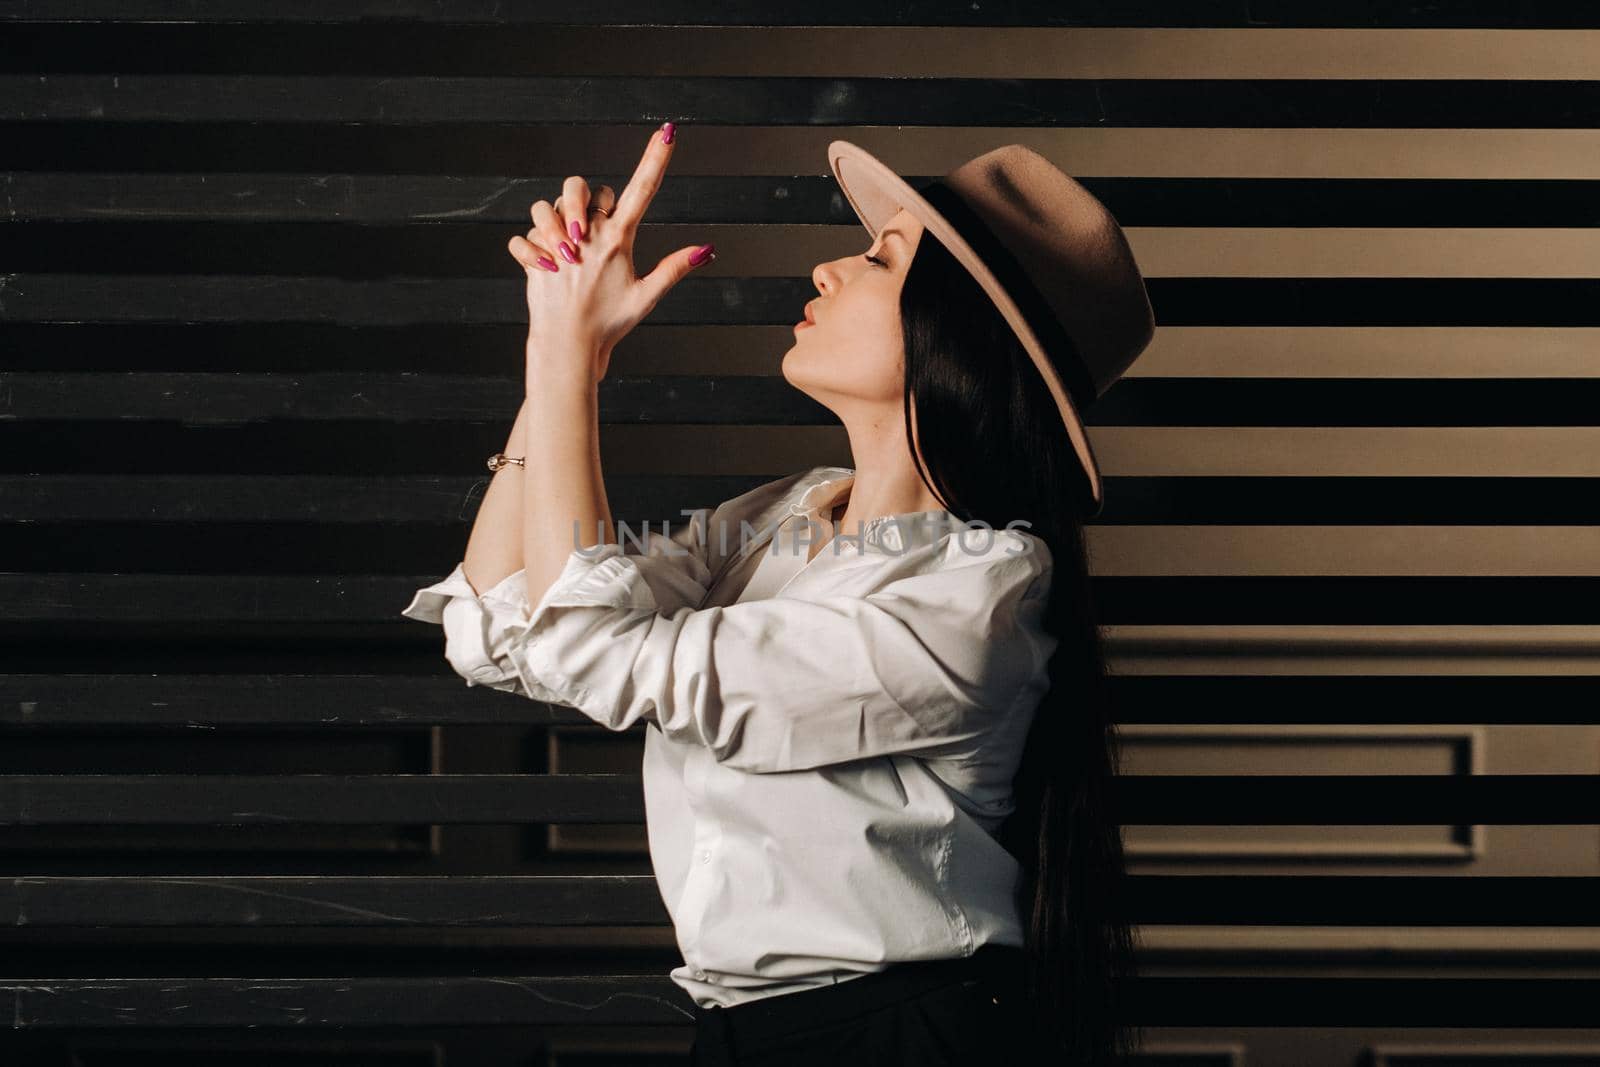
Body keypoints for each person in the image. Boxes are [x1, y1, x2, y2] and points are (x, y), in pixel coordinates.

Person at [401, 123, 1155, 1065]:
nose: (834, 267)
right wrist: (562, 363)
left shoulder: (974, 600)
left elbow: (584, 643)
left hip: (896, 1037)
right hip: (753, 1035)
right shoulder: (789, 514)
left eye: (882, 258)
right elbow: (506, 626)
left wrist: (565, 353)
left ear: (956, 334)